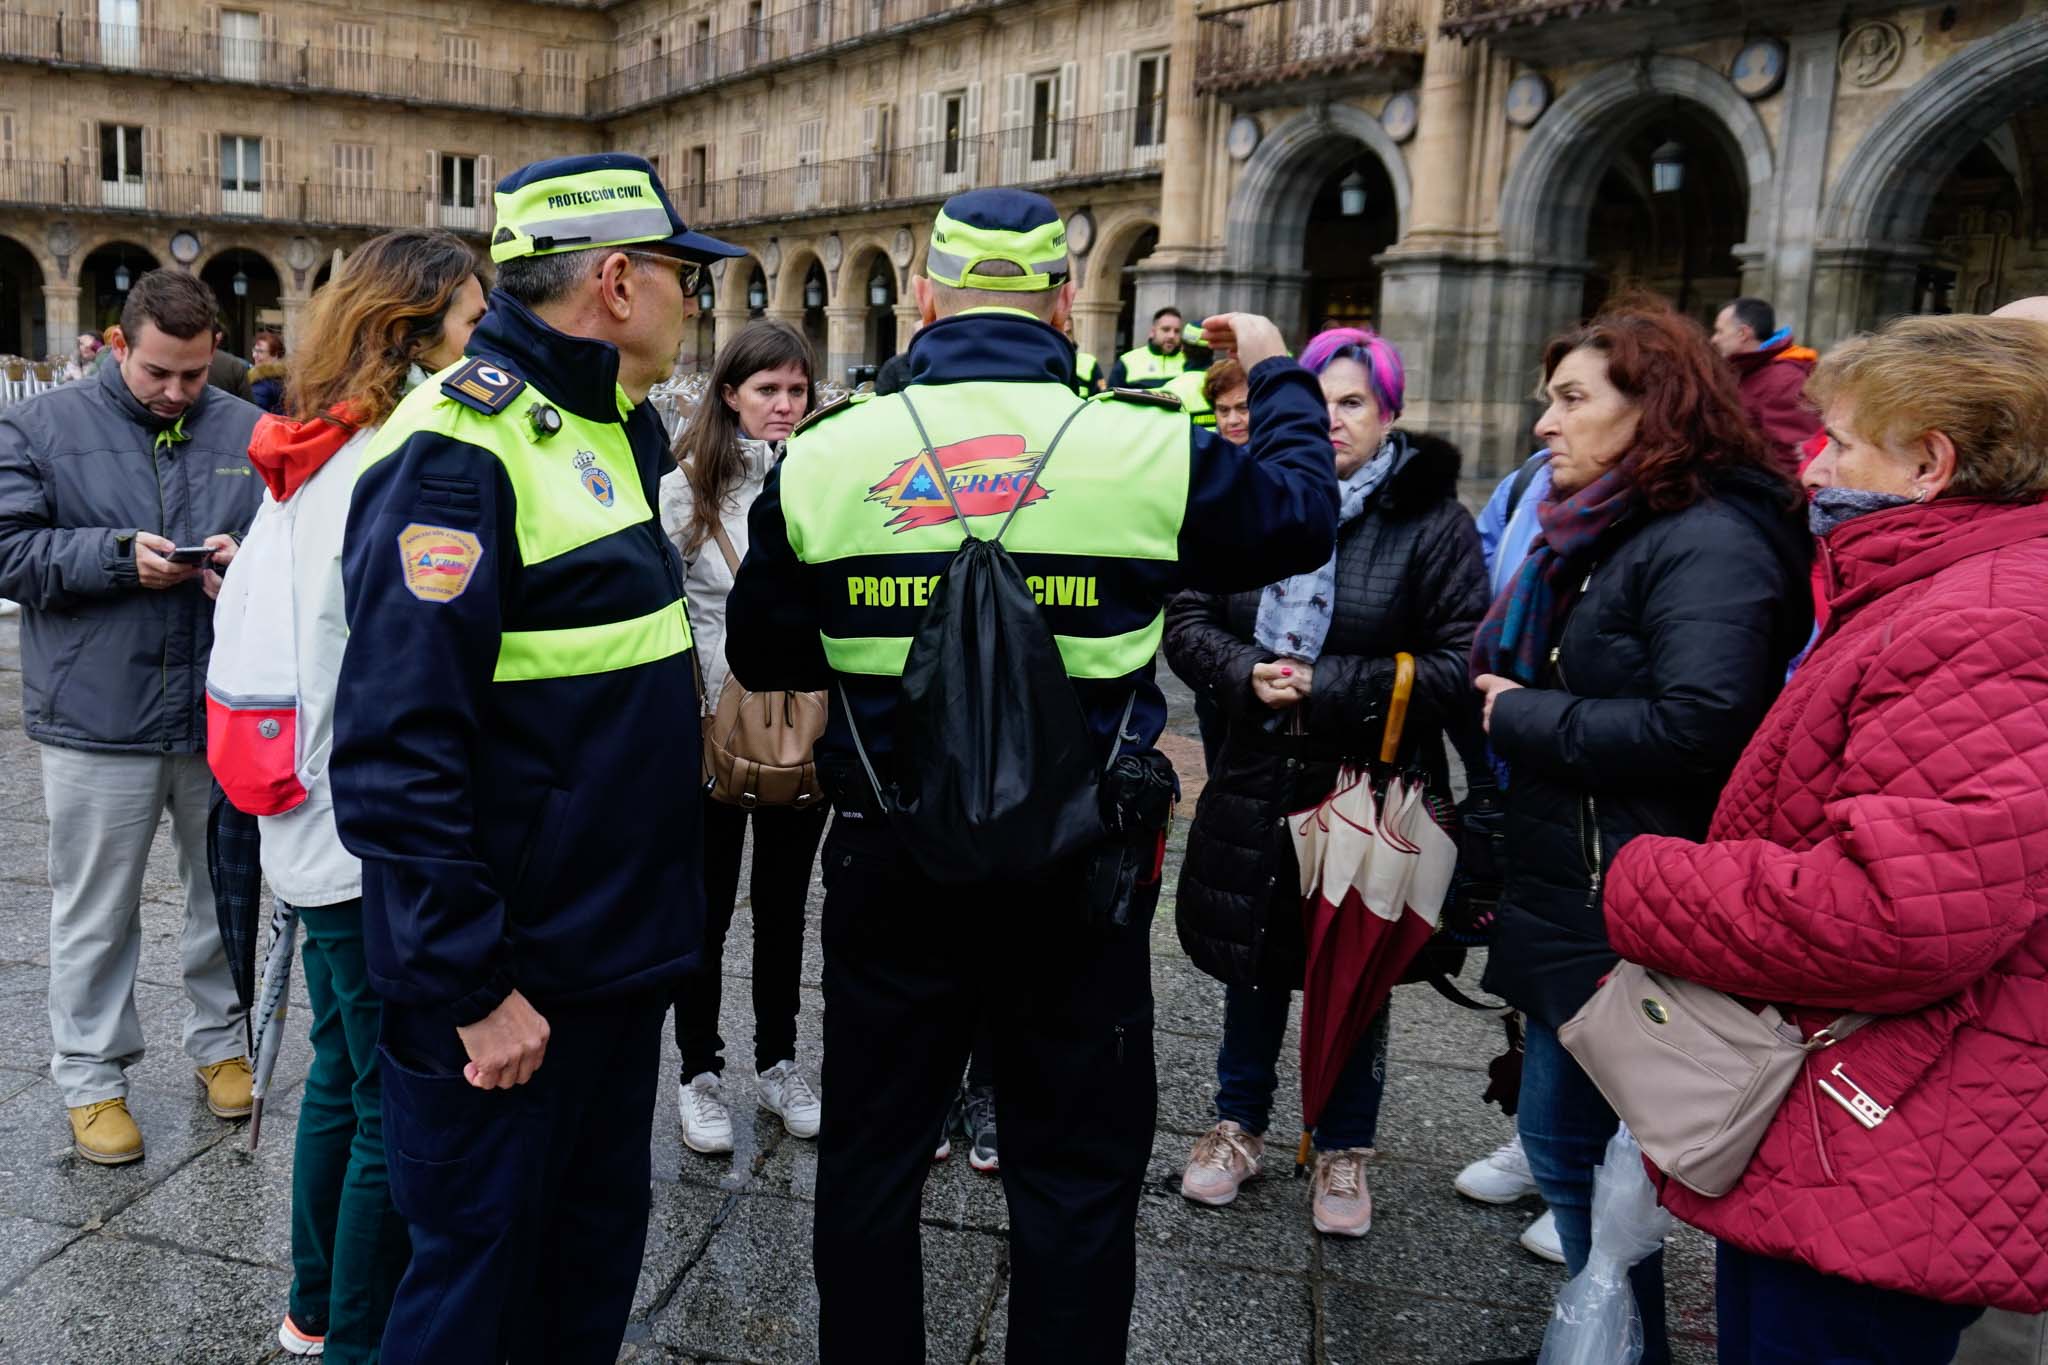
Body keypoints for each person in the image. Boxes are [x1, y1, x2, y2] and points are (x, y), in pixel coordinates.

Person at [724, 187, 1339, 1363]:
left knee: (869, 1162)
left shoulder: (823, 452)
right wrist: (1277, 373)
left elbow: (762, 651)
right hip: (1081, 866)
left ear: (924, 296)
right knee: (1074, 1174)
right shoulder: (1147, 444)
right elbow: (1300, 517)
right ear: (1062, 299)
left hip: (889, 852)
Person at [329, 153, 739, 1365]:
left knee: (584, 1265)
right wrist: (469, 987)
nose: (691, 302)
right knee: (475, 1296)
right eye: (681, 277)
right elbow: (397, 753)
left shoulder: (606, 425)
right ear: (615, 280)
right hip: (511, 989)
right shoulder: (461, 447)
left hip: (602, 963)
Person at [1600, 314, 2048, 1363]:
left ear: (1929, 462)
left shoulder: (1984, 619)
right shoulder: (1952, 588)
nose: (1815, 463)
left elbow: (1895, 914)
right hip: (1883, 1119)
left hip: (1892, 1135)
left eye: (1841, 441)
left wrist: (1644, 880)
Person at [1470, 298, 1813, 1365]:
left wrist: (1511, 712)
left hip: (1623, 895)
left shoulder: (1706, 537)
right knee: (1562, 1144)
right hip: (1573, 881)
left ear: (1652, 409)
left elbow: (1703, 721)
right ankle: (1603, 1338)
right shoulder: (1611, 523)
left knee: (1577, 1150)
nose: (1543, 423)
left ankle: (1618, 1344)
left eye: (1571, 399)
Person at [208, 229, 486, 1361]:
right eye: (472, 324)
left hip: (299, 811)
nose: (489, 344)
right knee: (386, 1105)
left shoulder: (311, 449)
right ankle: (359, 1337)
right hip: (353, 824)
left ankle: (313, 1300)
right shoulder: (391, 461)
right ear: (408, 338)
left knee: (338, 1071)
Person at [1167, 327, 1487, 1237]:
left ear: (1389, 412)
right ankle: (1239, 1122)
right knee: (1254, 957)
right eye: (1321, 402)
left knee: (1355, 967)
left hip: (1369, 776)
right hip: (1259, 766)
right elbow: (1186, 612)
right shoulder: (1252, 498)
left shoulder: (1432, 520)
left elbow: (1460, 658)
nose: (1336, 419)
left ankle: (1343, 1142)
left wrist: (1328, 680)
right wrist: (1242, 669)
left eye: (1355, 402)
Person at [0, 268, 263, 1164]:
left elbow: (294, 547)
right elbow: (9, 550)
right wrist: (115, 557)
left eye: (195, 373)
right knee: (95, 908)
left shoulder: (249, 428)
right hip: (94, 711)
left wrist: (248, 561)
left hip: (214, 709)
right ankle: (91, 1076)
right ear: (118, 346)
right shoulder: (39, 423)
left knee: (222, 894)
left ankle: (223, 1043)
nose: (179, 391)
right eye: (159, 372)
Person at [660, 319, 828, 1155]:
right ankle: (699, 1071)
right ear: (731, 393)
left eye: (797, 390)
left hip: (803, 725)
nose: (785, 406)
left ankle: (779, 1059)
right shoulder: (686, 488)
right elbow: (666, 613)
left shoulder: (831, 478)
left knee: (786, 907)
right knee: (705, 910)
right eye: (768, 389)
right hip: (710, 730)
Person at [1185, 356, 1252, 772]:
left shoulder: (1283, 469)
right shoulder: (1204, 465)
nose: (1232, 420)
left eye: (1243, 408)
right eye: (1223, 410)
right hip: (1214, 639)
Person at [1710, 296, 1820, 474]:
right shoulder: (1747, 370)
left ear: (1743, 333)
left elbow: (1792, 457)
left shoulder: (1783, 380)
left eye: (1719, 331)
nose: (1714, 339)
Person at [1107, 304, 1187, 389]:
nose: (1172, 335)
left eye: (1177, 331)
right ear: (1152, 332)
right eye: (1166, 329)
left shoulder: (1189, 362)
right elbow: (1110, 397)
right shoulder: (1128, 361)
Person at [245, 328, 288, 414]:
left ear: (275, 355)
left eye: (260, 351)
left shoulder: (261, 381)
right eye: (254, 350)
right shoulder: (286, 378)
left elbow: (253, 414)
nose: (254, 355)